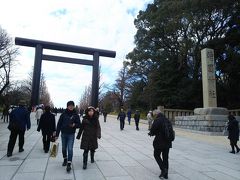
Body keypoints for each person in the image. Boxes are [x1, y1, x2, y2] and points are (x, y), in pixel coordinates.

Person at [56, 101, 81, 172]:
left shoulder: (76, 115)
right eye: (69, 105)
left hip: (71, 134)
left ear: (73, 106)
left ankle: (69, 163)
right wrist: (57, 134)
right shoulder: (63, 114)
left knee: (70, 149)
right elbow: (59, 125)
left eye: (72, 105)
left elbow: (79, 124)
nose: (71, 107)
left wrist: (74, 125)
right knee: (64, 148)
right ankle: (65, 159)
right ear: (67, 106)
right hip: (63, 134)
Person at [148, 111, 172, 179]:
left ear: (156, 115)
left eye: (154, 115)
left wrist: (150, 133)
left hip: (159, 142)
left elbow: (152, 130)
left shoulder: (157, 120)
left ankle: (163, 169)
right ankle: (166, 174)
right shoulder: (167, 120)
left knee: (156, 155)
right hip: (168, 142)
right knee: (165, 157)